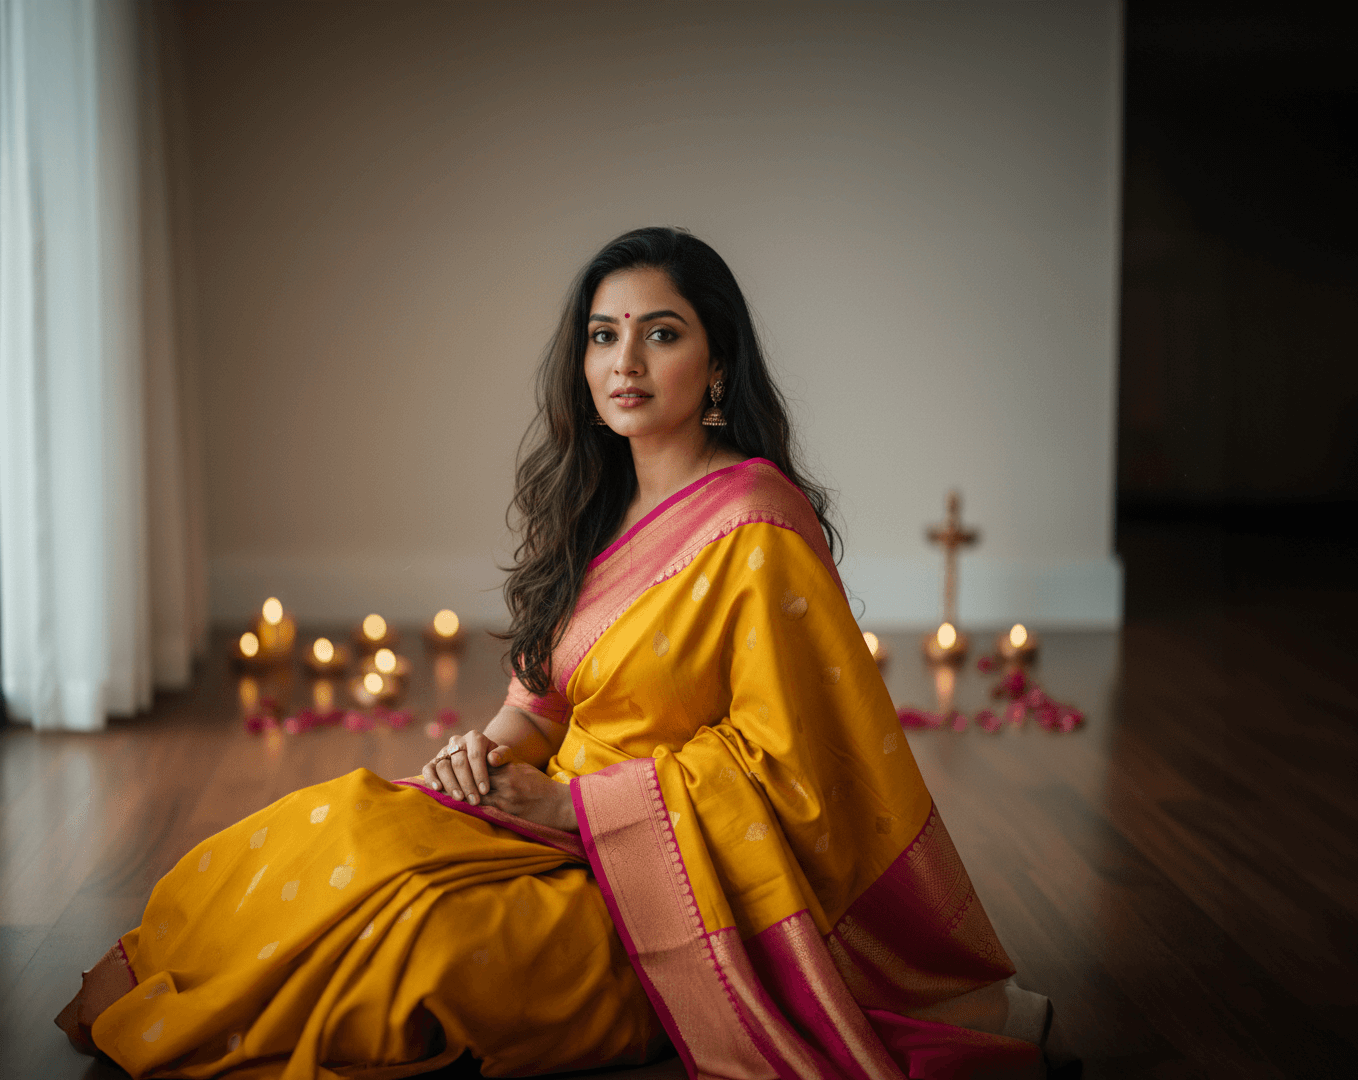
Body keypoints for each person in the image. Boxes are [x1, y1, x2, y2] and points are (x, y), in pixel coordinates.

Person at [57, 227, 1059, 1079]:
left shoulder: (758, 524)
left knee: (424, 947)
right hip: (542, 818)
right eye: (603, 337)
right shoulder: (597, 508)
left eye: (661, 335)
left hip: (669, 883)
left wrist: (579, 809)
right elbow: (539, 705)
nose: (625, 363)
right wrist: (481, 756)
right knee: (323, 835)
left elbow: (797, 776)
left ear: (716, 364)